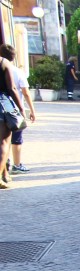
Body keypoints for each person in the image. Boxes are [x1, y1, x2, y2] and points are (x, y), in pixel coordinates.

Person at [0, 45, 35, 175]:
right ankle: (14, 166)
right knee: (8, 141)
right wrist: (24, 109)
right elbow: (17, 90)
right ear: (13, 57)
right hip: (7, 107)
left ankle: (5, 172)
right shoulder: (10, 67)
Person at [0, 47, 25, 189]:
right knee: (4, 142)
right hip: (2, 104)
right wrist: (21, 108)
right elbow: (12, 88)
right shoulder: (4, 63)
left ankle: (4, 174)